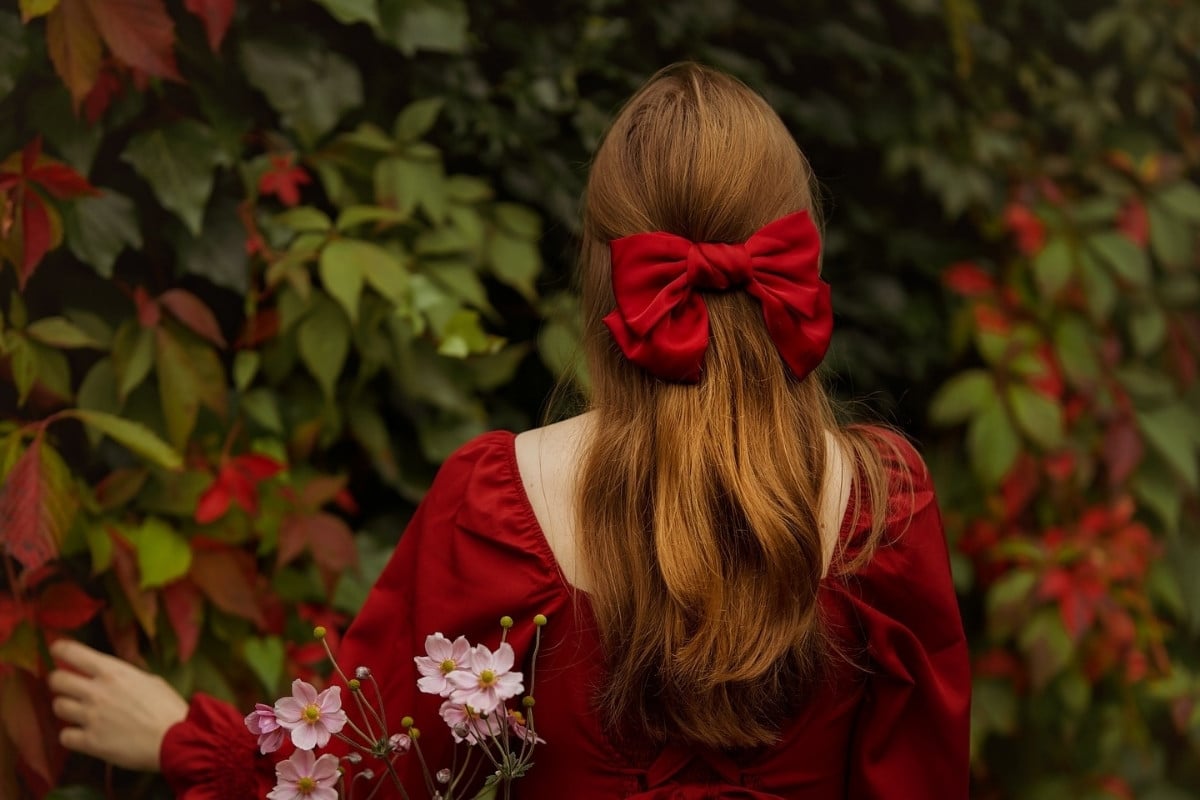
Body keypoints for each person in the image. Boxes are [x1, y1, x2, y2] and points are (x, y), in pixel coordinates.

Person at [46, 63, 970, 799]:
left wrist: (182, 741)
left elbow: (361, 772)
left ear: (604, 271)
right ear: (796, 253)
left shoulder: (500, 499)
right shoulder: (881, 506)